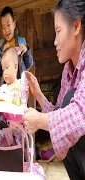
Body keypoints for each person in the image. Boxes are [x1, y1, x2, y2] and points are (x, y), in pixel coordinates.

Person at [23, 0, 85, 179]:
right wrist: (39, 96)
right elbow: (60, 113)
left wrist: (39, 120)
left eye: (58, 32)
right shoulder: (68, 70)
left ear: (75, 26)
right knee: (65, 106)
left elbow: (80, 113)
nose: (55, 42)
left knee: (71, 102)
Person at [0, 6, 33, 85]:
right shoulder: (0, 49)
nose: (6, 30)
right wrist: (1, 55)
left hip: (20, 86)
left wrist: (26, 51)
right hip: (6, 89)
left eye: (8, 25)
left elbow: (29, 64)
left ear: (14, 24)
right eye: (3, 27)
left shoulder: (21, 42)